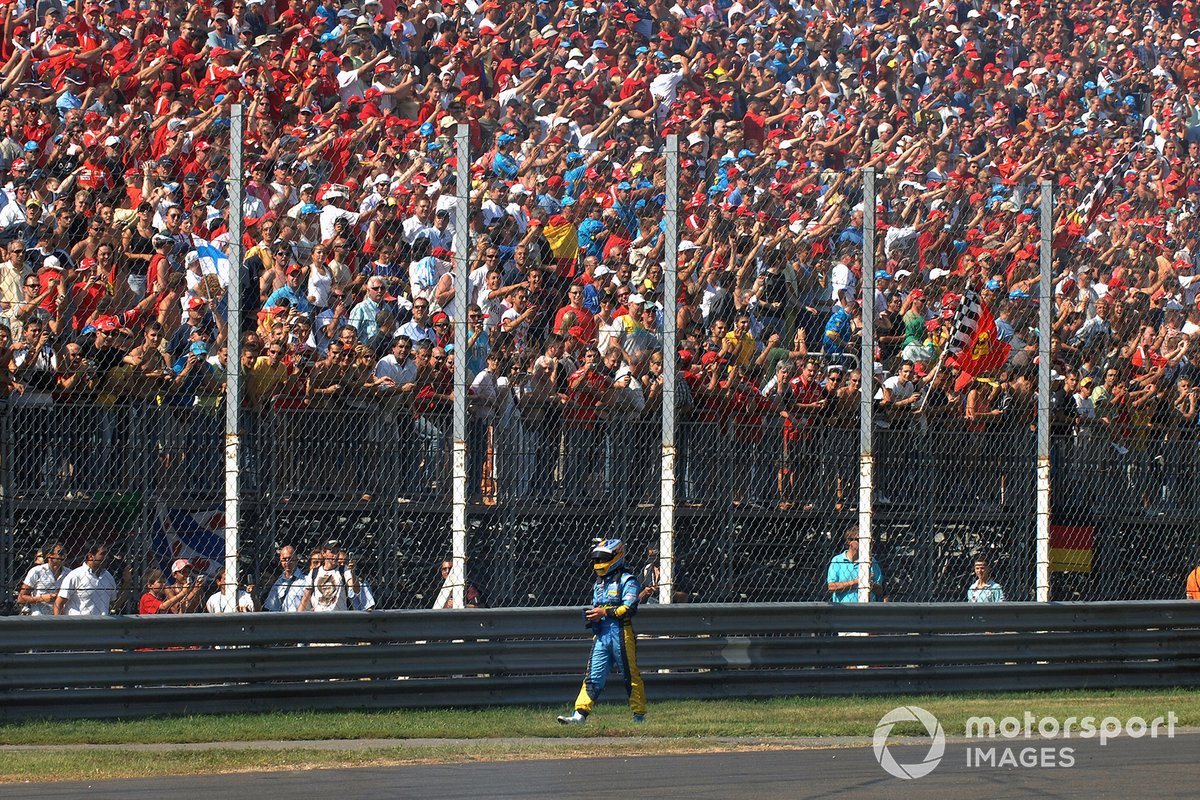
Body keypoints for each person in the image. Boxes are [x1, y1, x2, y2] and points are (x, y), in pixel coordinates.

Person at [557, 539, 646, 725]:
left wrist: (604, 612)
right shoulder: (599, 583)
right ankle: (579, 715)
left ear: (617, 556)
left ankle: (639, 716)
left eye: (602, 559)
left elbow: (629, 608)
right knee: (593, 675)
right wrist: (594, 616)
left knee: (630, 675)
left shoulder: (628, 580)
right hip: (602, 634)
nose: (598, 563)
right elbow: (597, 606)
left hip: (622, 633)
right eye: (596, 559)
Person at [54, 543, 132, 616]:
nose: (107, 557)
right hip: (78, 626)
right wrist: (59, 627)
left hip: (101, 626)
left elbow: (115, 605)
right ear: (90, 556)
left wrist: (127, 583)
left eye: (107, 554)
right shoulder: (75, 575)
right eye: (102, 554)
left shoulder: (108, 577)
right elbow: (59, 603)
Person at [826, 529, 883, 603]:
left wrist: (869, 583)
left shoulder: (871, 561)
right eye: (859, 540)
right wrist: (856, 582)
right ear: (849, 541)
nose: (864, 543)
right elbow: (831, 587)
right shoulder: (837, 560)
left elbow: (880, 590)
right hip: (843, 609)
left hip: (867, 609)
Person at [299, 541, 359, 612]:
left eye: (337, 551)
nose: (335, 555)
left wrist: (353, 572)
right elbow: (306, 597)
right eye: (332, 552)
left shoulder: (343, 570)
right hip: (319, 617)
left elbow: (356, 589)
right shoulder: (314, 572)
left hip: (339, 617)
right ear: (324, 553)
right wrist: (297, 618)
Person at [15, 540, 66, 615]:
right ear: (49, 555)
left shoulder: (69, 573)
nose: (64, 556)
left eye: (65, 553)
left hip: (62, 615)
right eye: (60, 553)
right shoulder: (37, 571)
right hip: (40, 616)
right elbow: (21, 598)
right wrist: (43, 598)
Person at [263, 545, 307, 612]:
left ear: (296, 559)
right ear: (280, 560)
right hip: (284, 620)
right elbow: (273, 608)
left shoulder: (306, 580)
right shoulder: (278, 583)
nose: (287, 562)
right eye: (284, 559)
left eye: (290, 558)